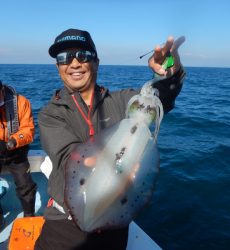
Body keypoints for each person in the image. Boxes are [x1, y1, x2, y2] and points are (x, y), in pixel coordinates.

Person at [35, 28, 186, 250]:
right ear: (58, 67)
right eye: (64, 58)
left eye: (83, 56)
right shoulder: (51, 114)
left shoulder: (123, 101)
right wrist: (116, 166)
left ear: (96, 62)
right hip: (63, 225)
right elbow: (69, 155)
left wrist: (168, 72)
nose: (74, 63)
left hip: (114, 226)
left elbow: (159, 98)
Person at [0, 80, 37, 218]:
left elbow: (28, 130)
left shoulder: (20, 102)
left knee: (26, 186)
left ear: (2, 90)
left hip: (16, 151)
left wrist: (14, 140)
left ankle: (29, 215)